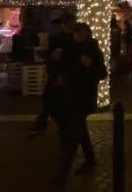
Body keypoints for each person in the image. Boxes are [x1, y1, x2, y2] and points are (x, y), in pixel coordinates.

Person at [52, 23, 106, 186]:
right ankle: (90, 159)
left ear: (87, 34)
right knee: (80, 130)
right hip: (70, 96)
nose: (77, 36)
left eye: (80, 33)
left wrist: (89, 66)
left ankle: (62, 175)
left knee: (72, 136)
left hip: (84, 97)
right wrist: (60, 74)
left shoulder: (93, 51)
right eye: (75, 33)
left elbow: (102, 73)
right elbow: (63, 68)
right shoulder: (70, 49)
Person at [27, 14, 76, 133]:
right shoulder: (58, 38)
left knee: (63, 100)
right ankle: (44, 121)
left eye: (69, 24)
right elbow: (50, 53)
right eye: (65, 24)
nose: (67, 26)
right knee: (48, 97)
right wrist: (50, 56)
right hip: (56, 73)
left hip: (67, 75)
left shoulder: (74, 39)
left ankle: (62, 124)